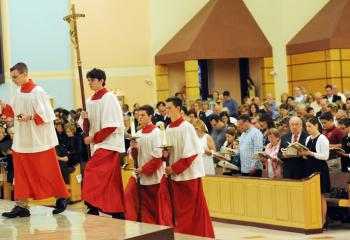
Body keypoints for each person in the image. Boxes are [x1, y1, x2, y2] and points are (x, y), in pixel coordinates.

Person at [0, 62, 70, 218]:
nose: (13, 80)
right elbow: (16, 112)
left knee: (48, 170)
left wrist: (30, 116)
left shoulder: (38, 91)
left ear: (25, 74)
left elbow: (47, 115)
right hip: (23, 139)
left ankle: (62, 197)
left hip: (39, 140)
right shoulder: (18, 92)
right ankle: (22, 206)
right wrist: (5, 110)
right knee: (21, 173)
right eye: (11, 77)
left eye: (15, 77)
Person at [158, 97, 215, 238]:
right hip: (173, 174)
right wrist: (165, 155)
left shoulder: (187, 127)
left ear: (178, 109)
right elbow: (166, 151)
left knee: (190, 211)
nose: (166, 110)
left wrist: (174, 168)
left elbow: (191, 154)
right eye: (166, 107)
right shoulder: (168, 128)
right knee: (173, 208)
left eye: (169, 107)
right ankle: (176, 233)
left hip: (187, 175)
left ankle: (192, 234)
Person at [79, 68, 125, 219]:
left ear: (101, 80)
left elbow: (111, 125)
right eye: (88, 80)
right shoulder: (89, 101)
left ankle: (92, 206)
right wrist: (85, 118)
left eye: (92, 80)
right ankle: (116, 211)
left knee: (91, 172)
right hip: (98, 145)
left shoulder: (109, 98)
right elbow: (86, 127)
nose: (90, 83)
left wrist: (93, 138)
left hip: (109, 144)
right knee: (109, 181)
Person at [124, 105, 164, 224]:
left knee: (152, 206)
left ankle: (152, 227)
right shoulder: (138, 133)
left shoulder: (156, 133)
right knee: (128, 195)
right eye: (138, 115)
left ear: (150, 116)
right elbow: (134, 156)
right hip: (138, 173)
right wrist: (133, 147)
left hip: (152, 175)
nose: (139, 118)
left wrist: (144, 169)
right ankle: (132, 223)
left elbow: (159, 156)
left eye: (143, 115)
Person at [300, 117, 330, 229]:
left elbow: (325, 156)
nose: (307, 129)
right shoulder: (308, 138)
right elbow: (308, 155)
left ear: (316, 126)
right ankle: (314, 219)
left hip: (320, 169)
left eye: (310, 126)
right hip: (310, 168)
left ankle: (323, 221)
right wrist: (303, 154)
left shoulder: (322, 138)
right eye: (306, 126)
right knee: (312, 196)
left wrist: (311, 153)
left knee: (321, 196)